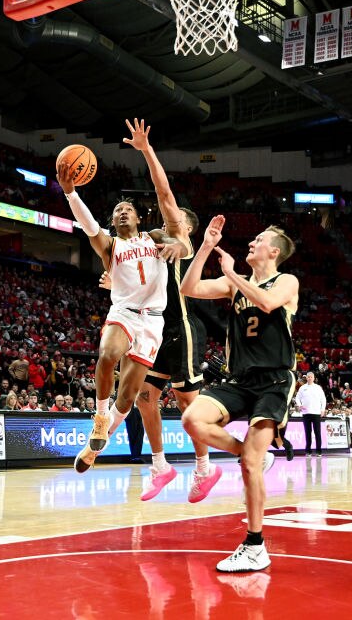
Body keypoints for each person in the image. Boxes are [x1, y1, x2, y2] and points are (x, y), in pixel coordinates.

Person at [180, 214, 298, 572]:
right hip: (239, 378)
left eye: (258, 240)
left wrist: (231, 274)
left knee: (249, 466)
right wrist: (205, 248)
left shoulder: (287, 280)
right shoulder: (236, 283)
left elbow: (266, 303)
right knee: (192, 419)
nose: (251, 243)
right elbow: (189, 288)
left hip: (275, 378)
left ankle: (255, 545)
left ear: (273, 251)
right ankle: (250, 453)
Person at [57, 151, 188, 473]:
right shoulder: (110, 245)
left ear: (139, 218)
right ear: (113, 222)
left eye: (128, 209)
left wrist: (179, 247)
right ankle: (100, 418)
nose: (123, 213)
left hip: (153, 322)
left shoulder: (154, 237)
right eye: (118, 211)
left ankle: (92, 448)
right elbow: (88, 225)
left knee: (128, 399)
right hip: (124, 312)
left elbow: (185, 245)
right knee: (107, 354)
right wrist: (70, 192)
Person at [122, 118, 220, 501]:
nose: (167, 215)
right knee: (146, 397)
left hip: (183, 328)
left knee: (186, 402)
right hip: (157, 330)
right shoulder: (151, 246)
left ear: (184, 226)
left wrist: (147, 151)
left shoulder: (181, 238)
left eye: (174, 215)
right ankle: (160, 466)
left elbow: (164, 195)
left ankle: (203, 467)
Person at [295, 372, 326, 457]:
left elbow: (323, 399)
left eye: (311, 377)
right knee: (308, 432)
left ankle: (319, 451)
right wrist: (299, 405)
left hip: (316, 413)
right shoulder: (302, 388)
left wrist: (322, 409)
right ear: (306, 378)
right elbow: (297, 398)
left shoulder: (318, 388)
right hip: (306, 413)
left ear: (314, 378)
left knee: (317, 433)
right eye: (308, 377)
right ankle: (308, 451)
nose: (309, 378)